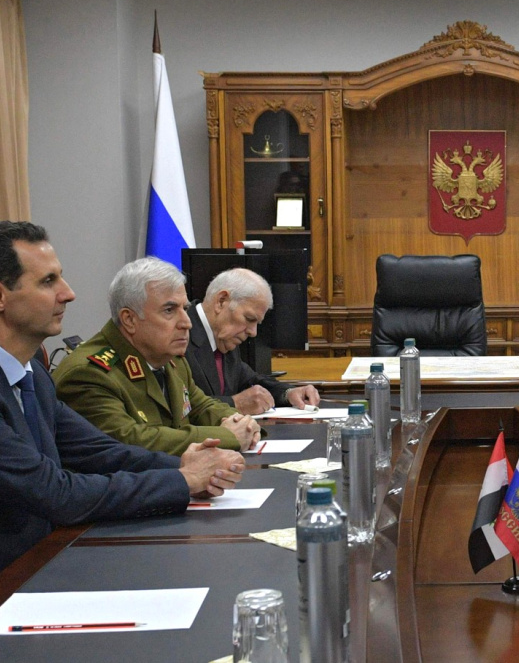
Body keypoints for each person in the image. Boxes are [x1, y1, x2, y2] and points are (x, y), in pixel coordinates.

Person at [0, 222, 244, 572]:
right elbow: (55, 493)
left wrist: (185, 465)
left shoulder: (33, 376)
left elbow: (101, 451)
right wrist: (182, 480)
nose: (68, 293)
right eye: (48, 281)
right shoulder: (63, 373)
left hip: (45, 563)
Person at [55, 257, 260, 455]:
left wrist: (241, 423)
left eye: (185, 309)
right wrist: (228, 436)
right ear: (129, 319)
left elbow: (201, 406)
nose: (186, 323)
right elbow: (130, 441)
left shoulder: (170, 360)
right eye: (169, 310)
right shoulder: (89, 374)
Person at [186, 267, 319, 415]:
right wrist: (235, 404)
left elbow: (252, 381)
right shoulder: (179, 335)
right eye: (249, 319)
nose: (253, 332)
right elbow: (179, 406)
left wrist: (288, 393)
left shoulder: (224, 336)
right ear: (221, 301)